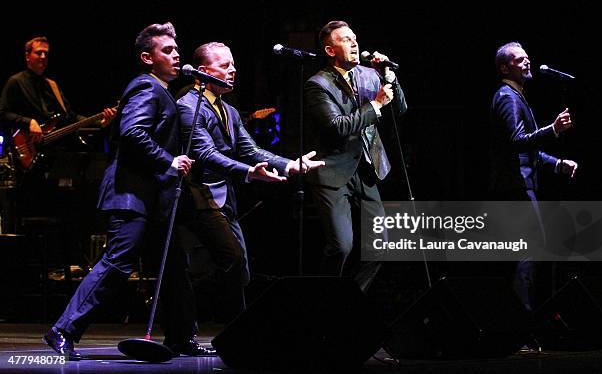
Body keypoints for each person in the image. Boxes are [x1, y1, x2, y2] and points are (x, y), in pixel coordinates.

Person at [43, 22, 204, 360]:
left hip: (152, 198)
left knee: (172, 265)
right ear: (147, 58)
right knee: (118, 262)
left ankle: (180, 336)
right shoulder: (146, 87)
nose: (177, 56)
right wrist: (169, 161)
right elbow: (133, 133)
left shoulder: (159, 89)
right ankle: (63, 328)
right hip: (132, 195)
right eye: (168, 51)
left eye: (177, 50)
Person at [176, 41, 324, 323]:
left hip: (224, 197)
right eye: (223, 66)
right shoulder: (189, 107)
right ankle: (194, 322)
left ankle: (234, 328)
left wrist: (290, 164)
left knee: (239, 265)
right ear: (202, 72)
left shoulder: (228, 110)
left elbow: (251, 150)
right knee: (228, 261)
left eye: (232, 64)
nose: (232, 70)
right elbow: (206, 154)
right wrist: (248, 172)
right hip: (198, 197)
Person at [304, 20, 407, 289]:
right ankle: (323, 299)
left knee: (380, 245)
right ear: (330, 50)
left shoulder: (369, 74)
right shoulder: (318, 84)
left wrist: (388, 75)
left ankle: (350, 300)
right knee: (342, 246)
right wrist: (375, 104)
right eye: (346, 39)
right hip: (333, 171)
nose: (354, 43)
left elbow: (400, 110)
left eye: (355, 38)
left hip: (366, 167)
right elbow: (337, 127)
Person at [489, 41, 578, 313]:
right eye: (519, 60)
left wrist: (557, 163)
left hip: (520, 183)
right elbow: (516, 141)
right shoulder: (507, 97)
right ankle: (520, 319)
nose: (527, 62)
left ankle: (518, 317)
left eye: (527, 58)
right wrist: (552, 130)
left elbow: (529, 152)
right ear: (504, 67)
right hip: (514, 186)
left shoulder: (517, 97)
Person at [0, 35, 115, 155]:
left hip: (54, 152)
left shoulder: (52, 85)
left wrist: (100, 121)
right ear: (27, 56)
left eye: (46, 54)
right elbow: (2, 113)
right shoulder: (15, 81)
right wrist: (29, 122)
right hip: (26, 151)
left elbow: (70, 117)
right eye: (39, 53)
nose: (43, 57)